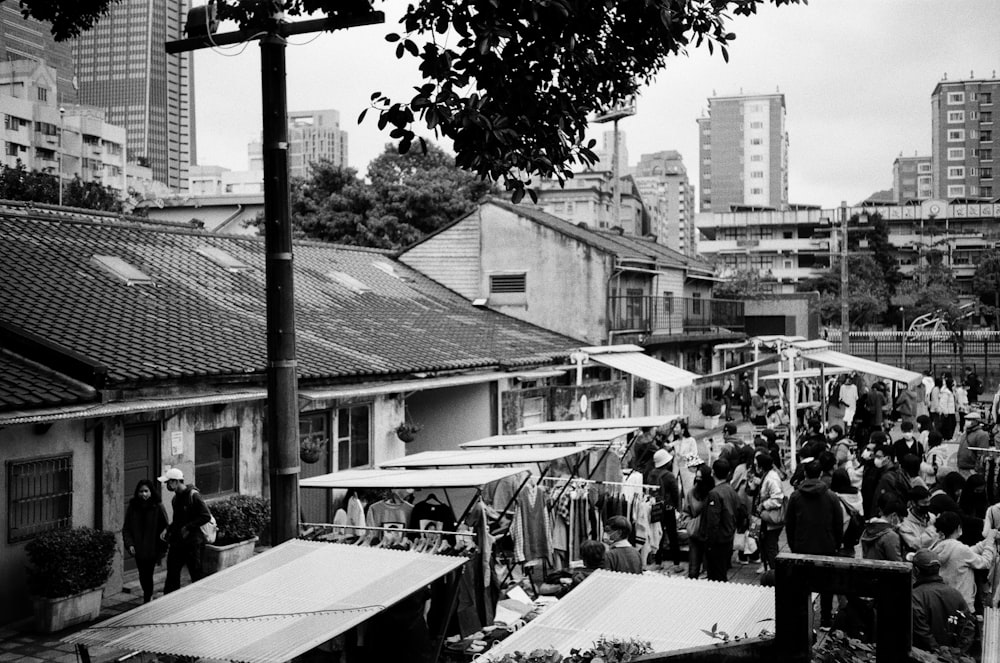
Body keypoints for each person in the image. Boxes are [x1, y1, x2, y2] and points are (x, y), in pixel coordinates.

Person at [786, 460, 843, 628]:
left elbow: (790, 524)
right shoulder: (832, 496)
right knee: (827, 584)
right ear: (820, 475)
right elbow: (838, 524)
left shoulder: (795, 496)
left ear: (805, 474)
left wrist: (793, 545)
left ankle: (805, 619)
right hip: (826, 546)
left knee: (803, 584)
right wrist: (836, 544)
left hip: (802, 546)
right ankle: (826, 618)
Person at [159, 467, 212, 594]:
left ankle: (199, 599)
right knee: (172, 572)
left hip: (193, 542)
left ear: (175, 482)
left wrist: (188, 527)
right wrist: (168, 529)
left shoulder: (193, 496)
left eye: (168, 482)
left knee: (196, 572)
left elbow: (205, 516)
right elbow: (177, 520)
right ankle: (170, 598)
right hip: (178, 541)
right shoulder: (175, 499)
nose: (167, 485)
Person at [930, 511, 997, 610]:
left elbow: (968, 554)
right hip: (962, 604)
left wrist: (986, 542)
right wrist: (990, 541)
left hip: (944, 603)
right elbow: (985, 562)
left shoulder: (938, 546)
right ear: (958, 528)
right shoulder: (959, 549)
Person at [910, 548, 972, 652]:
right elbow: (967, 628)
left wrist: (937, 653)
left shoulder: (914, 596)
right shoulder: (956, 594)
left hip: (924, 657)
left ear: (916, 571)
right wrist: (955, 653)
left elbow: (921, 632)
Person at [123, 479, 169, 603]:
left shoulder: (158, 506)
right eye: (141, 491)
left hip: (153, 548)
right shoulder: (133, 507)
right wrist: (130, 544)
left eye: (146, 491)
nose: (143, 494)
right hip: (138, 548)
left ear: (151, 492)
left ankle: (147, 597)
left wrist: (162, 546)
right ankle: (147, 594)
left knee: (148, 573)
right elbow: (126, 528)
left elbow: (165, 527)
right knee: (142, 574)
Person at [702, 459, 740, 582]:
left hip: (717, 541)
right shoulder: (731, 490)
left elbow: (713, 521)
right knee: (722, 572)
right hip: (728, 537)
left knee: (716, 575)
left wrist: (708, 543)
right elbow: (740, 511)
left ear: (713, 472)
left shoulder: (714, 494)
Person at [647, 449, 683, 573]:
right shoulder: (669, 476)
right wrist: (678, 509)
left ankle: (657, 562)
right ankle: (677, 563)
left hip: (655, 508)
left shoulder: (651, 474)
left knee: (658, 534)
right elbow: (675, 494)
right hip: (668, 509)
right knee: (672, 535)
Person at [682, 460, 713, 579]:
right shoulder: (691, 493)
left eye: (700, 477)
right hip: (694, 534)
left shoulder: (713, 494)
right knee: (693, 569)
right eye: (697, 477)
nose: (698, 480)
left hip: (709, 534)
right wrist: (690, 523)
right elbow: (686, 512)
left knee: (708, 570)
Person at [755, 453, 784, 573]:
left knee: (770, 546)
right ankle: (766, 567)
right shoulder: (766, 476)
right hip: (760, 518)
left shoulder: (771, 479)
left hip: (770, 519)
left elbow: (777, 499)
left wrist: (763, 505)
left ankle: (775, 572)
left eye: (757, 465)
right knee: (761, 541)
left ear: (761, 467)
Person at [861, 493, 903, 562]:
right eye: (900, 519)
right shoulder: (891, 536)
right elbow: (897, 562)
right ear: (894, 515)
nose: (899, 522)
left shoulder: (868, 528)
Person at [899, 486, 938, 554]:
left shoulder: (932, 517)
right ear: (913, 503)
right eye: (924, 503)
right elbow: (916, 544)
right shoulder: (904, 522)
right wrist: (932, 528)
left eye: (928, 502)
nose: (927, 505)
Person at [956, 412, 988, 477]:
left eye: (970, 420)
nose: (967, 422)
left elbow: (982, 454)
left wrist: (976, 470)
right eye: (966, 419)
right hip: (961, 468)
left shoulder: (982, 435)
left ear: (976, 421)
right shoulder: (965, 434)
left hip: (971, 470)